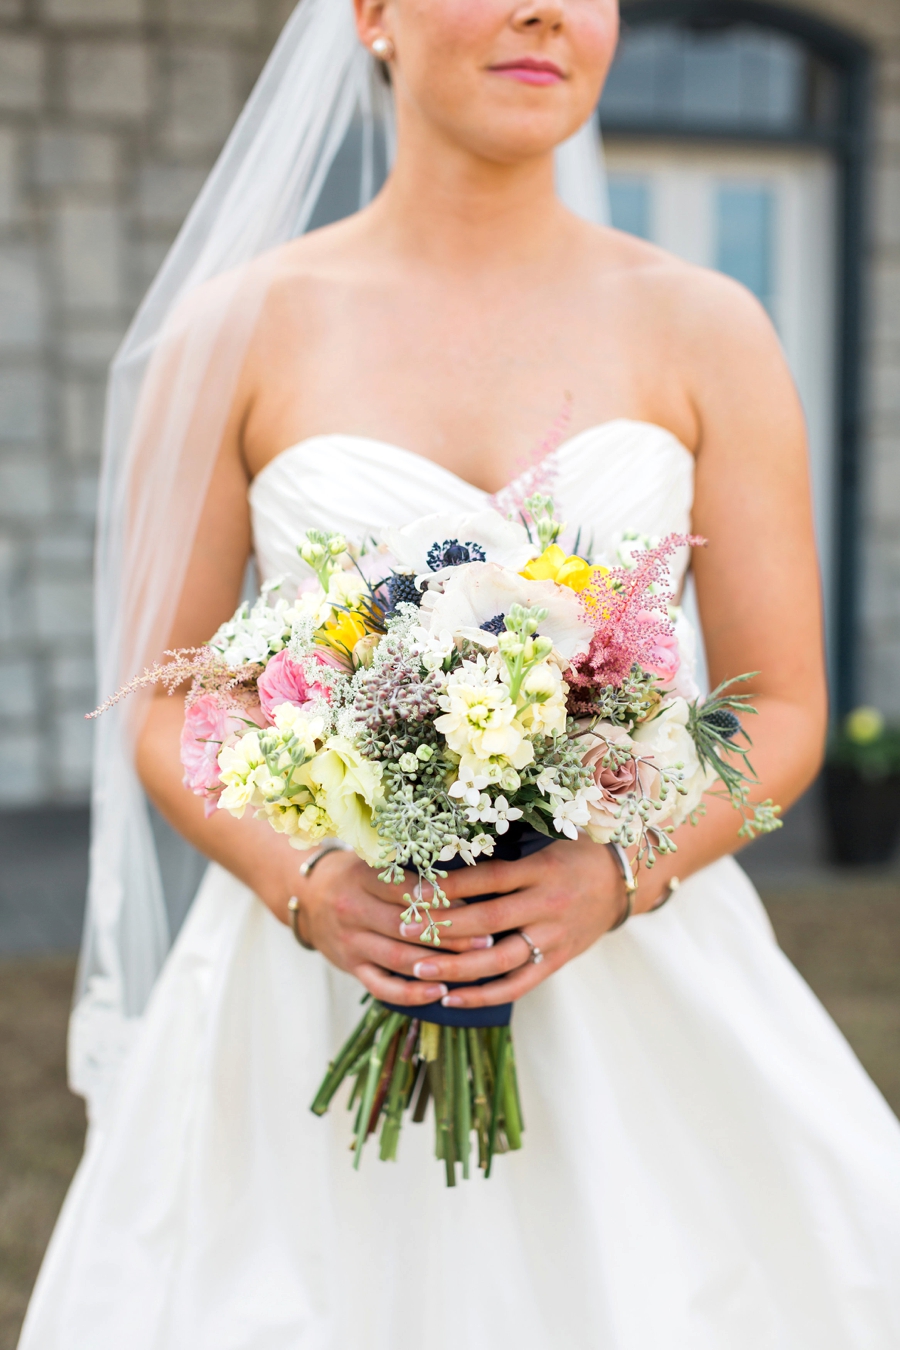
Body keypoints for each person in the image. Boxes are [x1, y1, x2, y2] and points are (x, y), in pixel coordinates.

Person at [20, 2, 900, 1347]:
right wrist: (307, 884)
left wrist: (613, 876)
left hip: (630, 965)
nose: (549, 10)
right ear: (369, 13)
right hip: (311, 980)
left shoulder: (710, 327)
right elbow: (167, 690)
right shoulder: (238, 329)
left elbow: (781, 706)